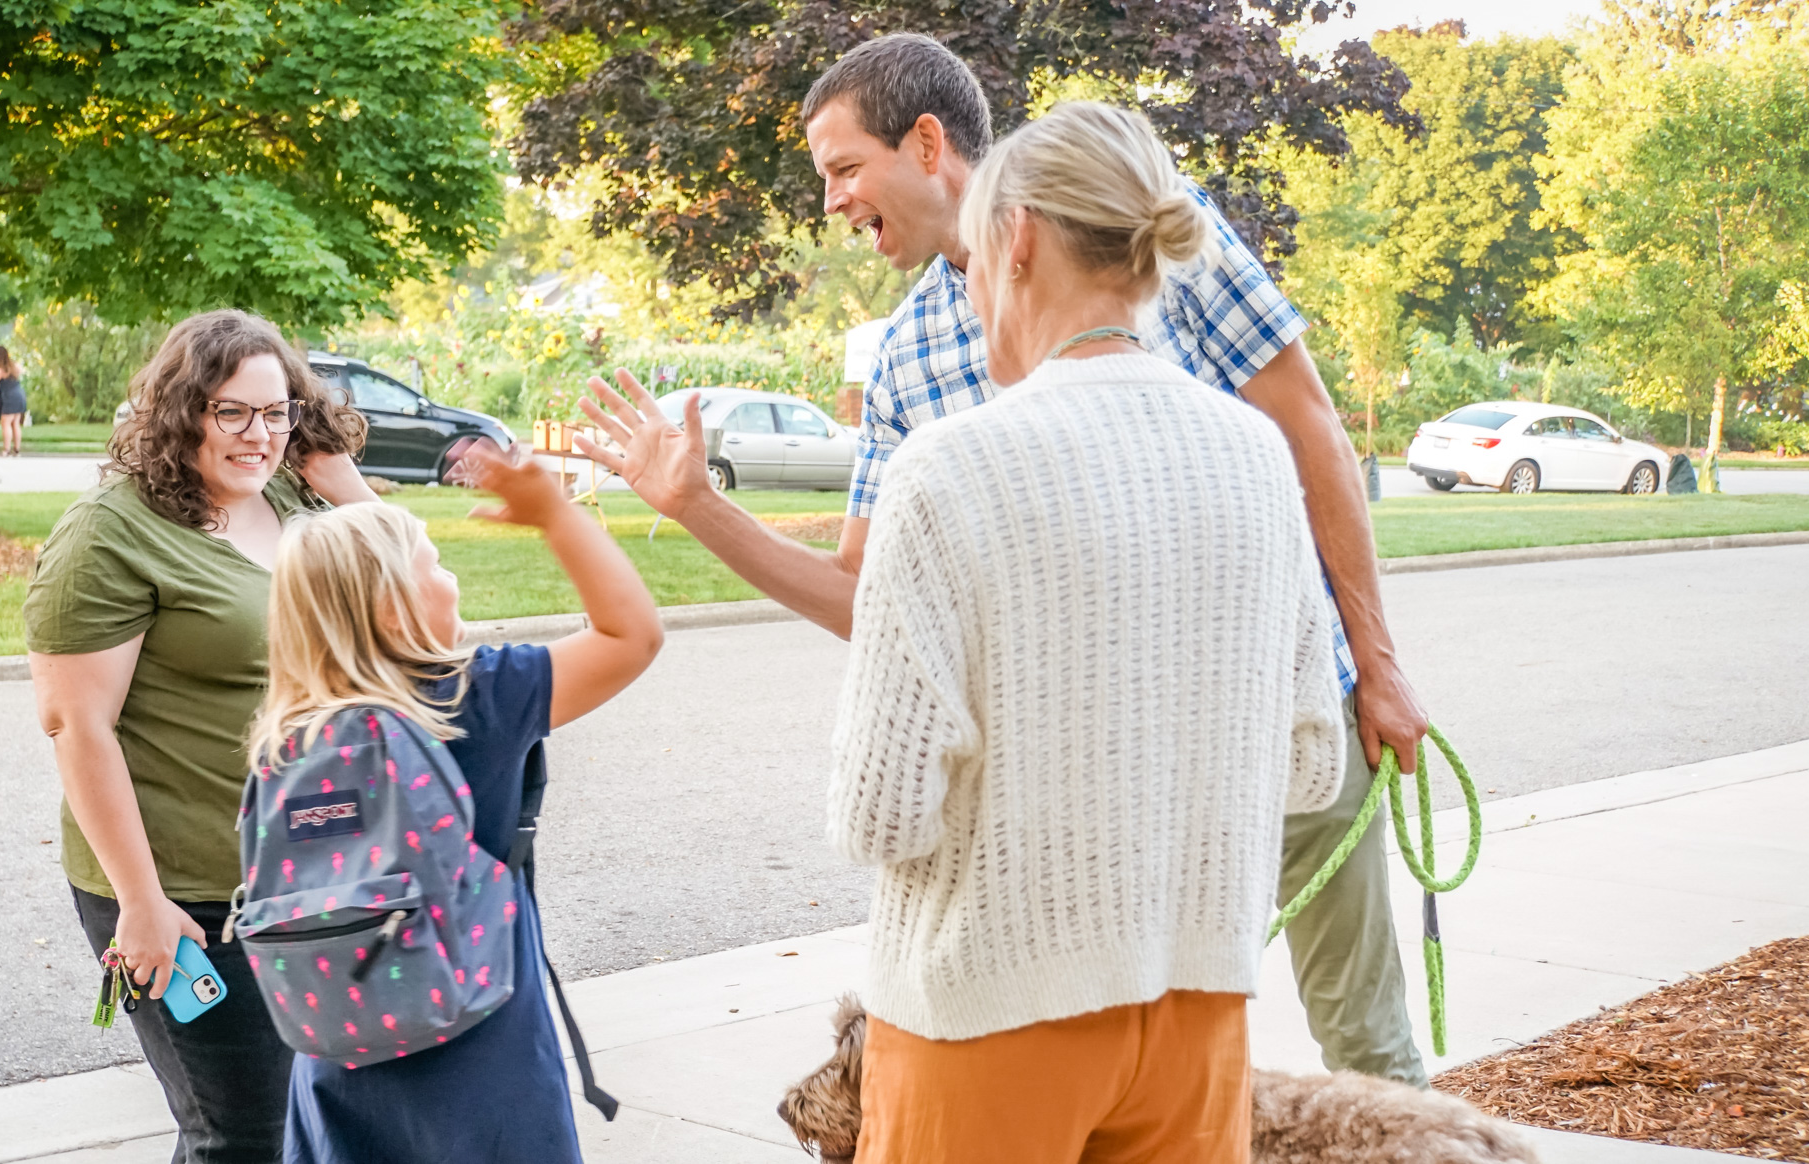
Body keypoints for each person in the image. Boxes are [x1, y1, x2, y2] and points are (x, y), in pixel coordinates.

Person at [581, 32, 1431, 1086]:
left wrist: (1377, 661)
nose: (833, 201)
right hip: (1100, 778)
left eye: (844, 168)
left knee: (1365, 1045)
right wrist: (698, 508)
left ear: (926, 144)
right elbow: (871, 599)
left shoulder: (1143, 233)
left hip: (1278, 712)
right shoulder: (905, 354)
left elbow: (1306, 428)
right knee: (1146, 1066)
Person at [826, 101, 1344, 1162]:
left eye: (969, 259)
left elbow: (881, 814)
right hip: (1196, 1012)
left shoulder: (947, 467)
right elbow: (1308, 763)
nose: (966, 291)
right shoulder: (1253, 453)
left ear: (1014, 242)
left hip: (983, 1016)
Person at [26, 310, 379, 1164]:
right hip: (182, 890)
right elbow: (77, 726)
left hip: (303, 871)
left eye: (278, 410)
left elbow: (412, 604)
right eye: (232, 412)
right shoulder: (111, 533)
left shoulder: (294, 500)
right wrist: (143, 906)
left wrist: (348, 487)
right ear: (181, 409)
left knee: (304, 1121)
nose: (259, 434)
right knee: (242, 1134)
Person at [249, 458, 663, 1164]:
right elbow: (633, 634)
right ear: (392, 606)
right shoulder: (472, 698)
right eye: (433, 566)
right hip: (478, 1049)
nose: (451, 579)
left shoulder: (287, 738)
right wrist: (556, 517)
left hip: (339, 1051)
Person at [0, 345, 28, 456]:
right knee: (15, 423)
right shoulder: (12, 367)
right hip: (19, 395)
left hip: (10, 398)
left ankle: (6, 450)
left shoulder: (0, 370)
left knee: (5, 422)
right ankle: (17, 450)